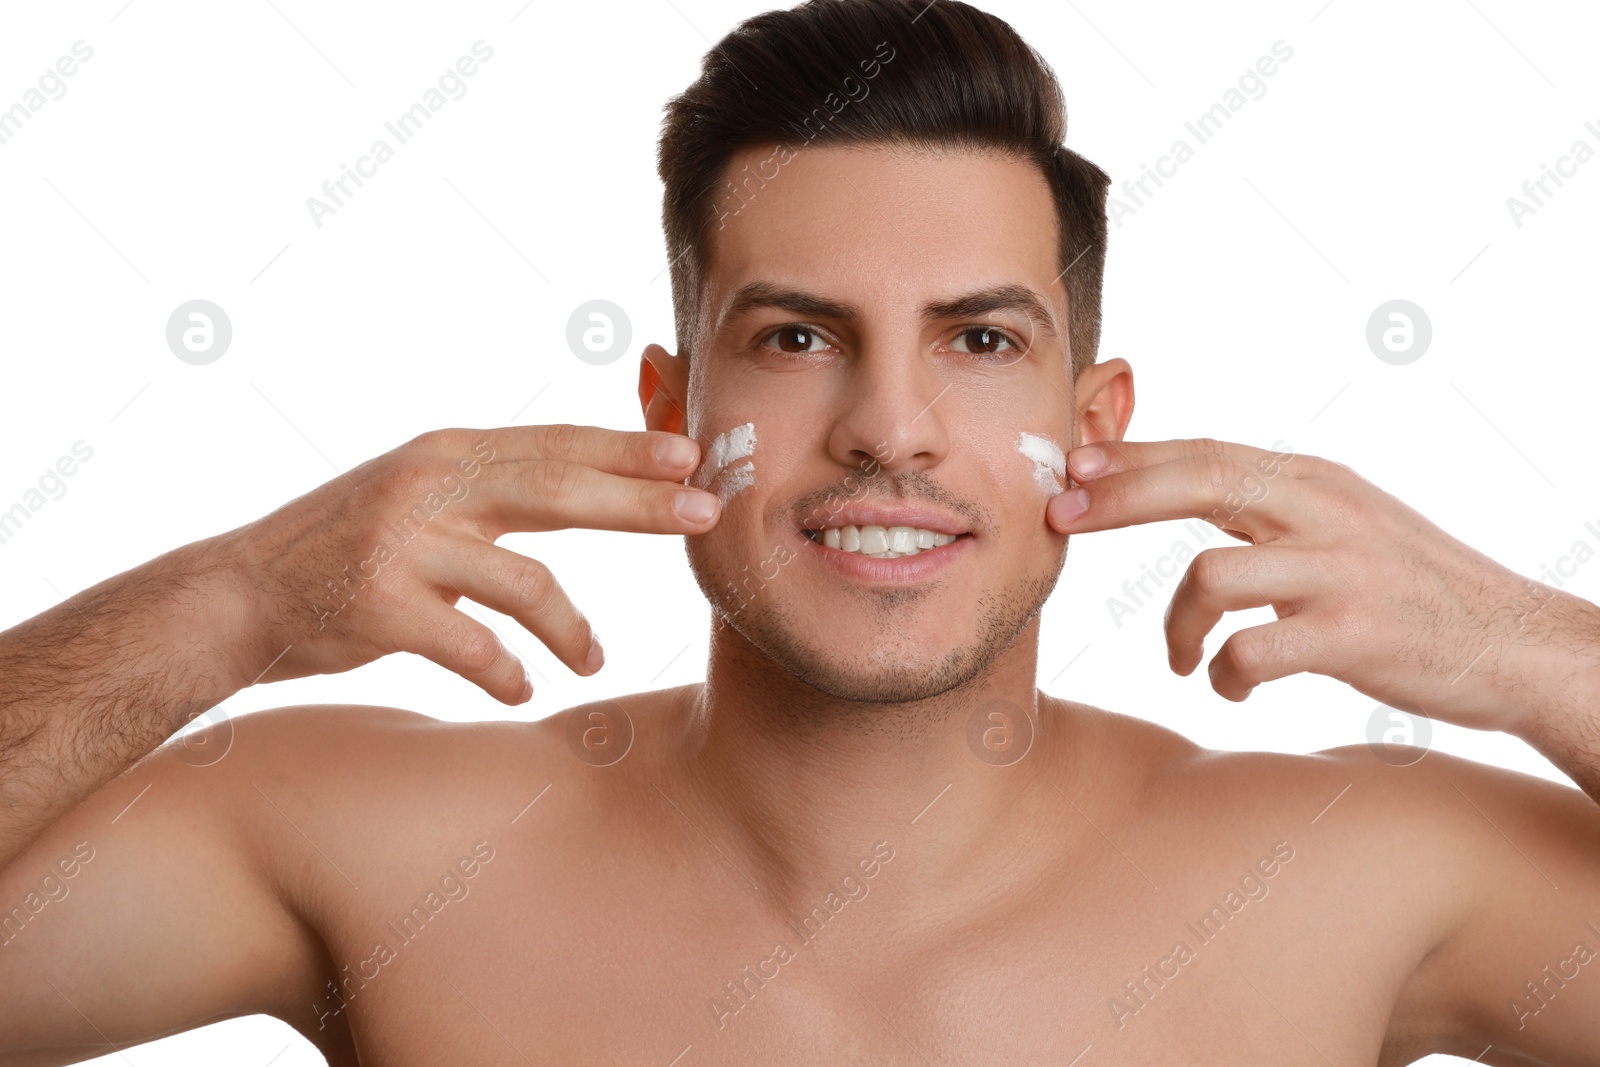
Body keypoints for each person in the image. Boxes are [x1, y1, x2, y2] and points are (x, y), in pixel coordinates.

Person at [4, 1, 1600, 1062]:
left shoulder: (1352, 876)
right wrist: (229, 601)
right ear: (671, 406)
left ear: (1095, 425)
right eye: (795, 337)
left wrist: (1526, 650)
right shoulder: (366, 844)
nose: (890, 429)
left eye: (980, 342)